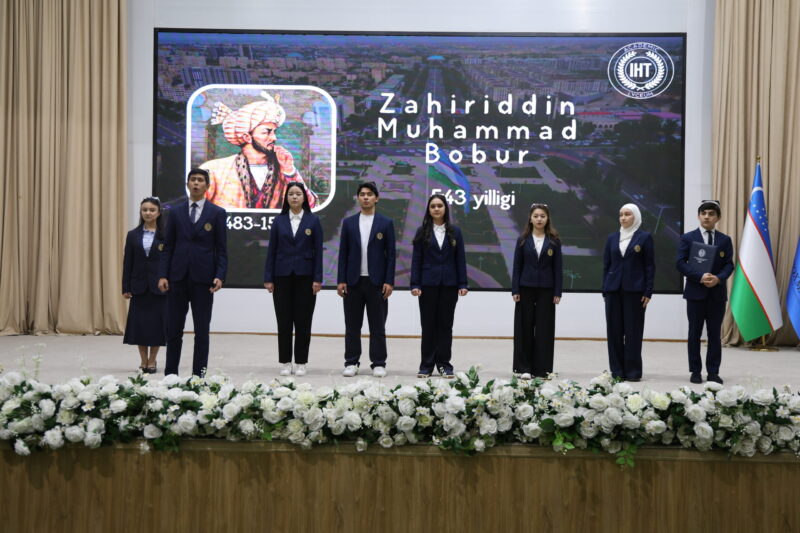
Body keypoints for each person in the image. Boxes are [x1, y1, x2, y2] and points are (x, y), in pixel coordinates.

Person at [158, 168, 228, 376]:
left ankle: (199, 376)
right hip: (177, 278)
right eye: (192, 180)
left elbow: (221, 249)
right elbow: (168, 246)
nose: (196, 183)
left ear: (207, 186)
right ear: (188, 184)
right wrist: (163, 274)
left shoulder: (217, 213)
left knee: (202, 331)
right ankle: (171, 375)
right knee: (173, 330)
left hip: (203, 279)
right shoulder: (174, 212)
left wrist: (220, 274)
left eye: (200, 180)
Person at [201, 92, 318, 209]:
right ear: (247, 137)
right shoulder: (213, 170)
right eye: (267, 132)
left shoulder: (283, 171)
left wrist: (290, 171)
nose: (274, 138)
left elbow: (310, 206)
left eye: (274, 132)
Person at [337, 181, 396, 377]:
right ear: (358, 197)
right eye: (362, 194)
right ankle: (351, 362)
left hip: (377, 282)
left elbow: (391, 255)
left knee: (377, 325)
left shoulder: (385, 223)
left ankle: (378, 362)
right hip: (353, 281)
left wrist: (389, 281)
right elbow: (343, 253)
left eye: (369, 194)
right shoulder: (349, 223)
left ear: (376, 198)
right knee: (352, 325)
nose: (365, 197)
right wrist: (341, 280)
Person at [263, 182, 323, 377]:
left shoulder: (313, 221)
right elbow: (271, 251)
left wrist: (318, 279)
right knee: (284, 321)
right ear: (286, 198)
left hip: (306, 277)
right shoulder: (278, 221)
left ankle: (301, 362)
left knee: (304, 320)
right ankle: (286, 362)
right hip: (281, 276)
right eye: (291, 194)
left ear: (304, 197)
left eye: (298, 194)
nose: (295, 197)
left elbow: (318, 253)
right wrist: (268, 278)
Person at [675, 200, 734, 384]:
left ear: (718, 217)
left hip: (717, 294)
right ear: (699, 216)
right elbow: (680, 263)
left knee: (714, 334)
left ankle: (713, 372)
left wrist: (718, 278)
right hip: (695, 293)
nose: (707, 217)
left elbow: (729, 265)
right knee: (694, 333)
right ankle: (695, 371)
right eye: (704, 213)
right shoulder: (687, 238)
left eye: (711, 214)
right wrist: (700, 277)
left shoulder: (725, 240)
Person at [410, 194, 468, 378]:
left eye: (440, 205)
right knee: (428, 326)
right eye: (433, 206)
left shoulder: (455, 231)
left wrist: (463, 283)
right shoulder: (422, 231)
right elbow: (416, 259)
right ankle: (426, 365)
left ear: (445, 209)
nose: (436, 209)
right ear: (428, 209)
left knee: (445, 326)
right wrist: (415, 283)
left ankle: (444, 364)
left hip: (449, 285)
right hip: (427, 284)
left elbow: (460, 259)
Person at [602, 203, 655, 382]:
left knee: (633, 332)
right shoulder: (612, 238)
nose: (623, 218)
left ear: (636, 217)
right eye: (621, 214)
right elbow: (606, 265)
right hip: (613, 291)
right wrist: (605, 289)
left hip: (636, 291)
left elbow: (650, 266)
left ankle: (633, 372)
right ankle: (617, 371)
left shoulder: (645, 238)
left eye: (627, 214)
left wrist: (648, 291)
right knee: (614, 332)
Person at [511, 203, 563, 379]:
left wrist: (557, 292)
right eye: (536, 216)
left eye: (542, 216)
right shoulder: (522, 240)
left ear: (547, 219)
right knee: (524, 328)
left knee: (544, 329)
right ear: (530, 219)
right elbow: (517, 266)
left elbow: (558, 268)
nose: (539, 219)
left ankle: (542, 369)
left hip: (547, 290)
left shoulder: (554, 241)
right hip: (525, 288)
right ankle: (524, 368)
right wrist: (515, 289)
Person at [122, 197, 167, 373]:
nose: (148, 213)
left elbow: (168, 261)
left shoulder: (165, 235)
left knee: (157, 326)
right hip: (138, 286)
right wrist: (125, 287)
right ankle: (143, 361)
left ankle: (153, 360)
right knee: (139, 325)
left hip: (159, 287)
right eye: (144, 210)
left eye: (152, 210)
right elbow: (128, 262)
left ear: (159, 212)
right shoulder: (132, 235)